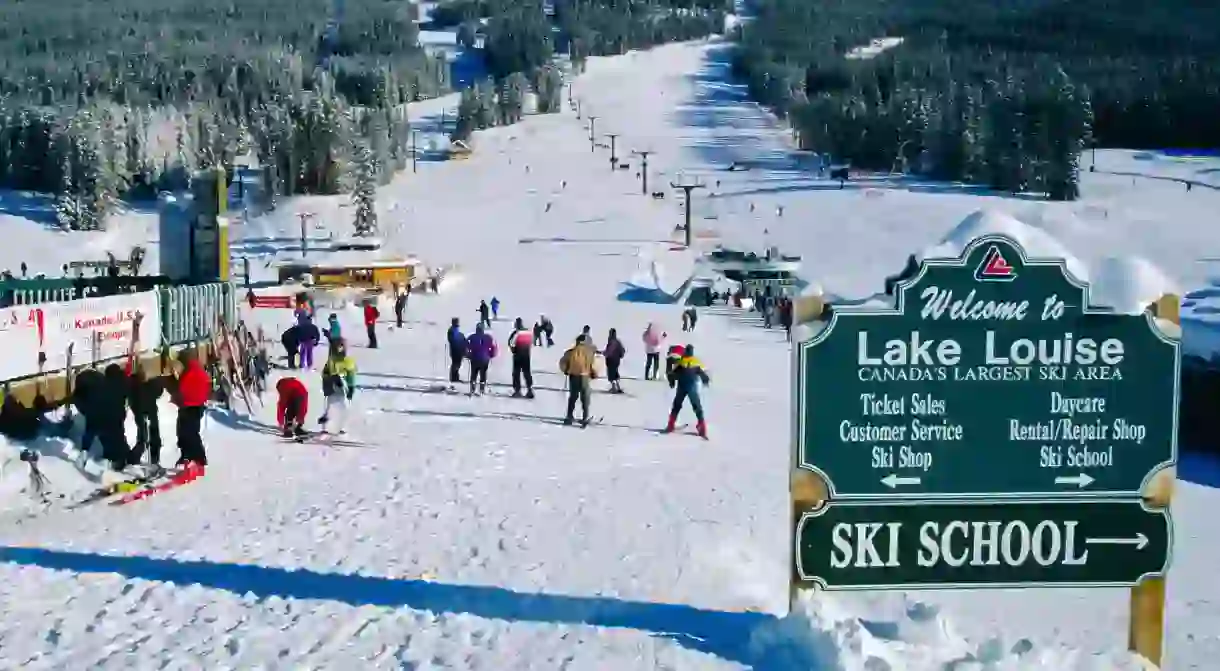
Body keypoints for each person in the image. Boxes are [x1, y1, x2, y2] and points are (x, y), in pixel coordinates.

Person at [174, 349, 211, 467]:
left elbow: (182, 387)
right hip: (194, 406)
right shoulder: (198, 370)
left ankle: (199, 458)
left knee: (188, 433)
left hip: (190, 407)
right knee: (185, 432)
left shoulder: (189, 372)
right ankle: (188, 456)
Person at [666, 344, 711, 438]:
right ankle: (702, 426)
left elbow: (673, 373)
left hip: (682, 386)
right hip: (692, 387)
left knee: (677, 405)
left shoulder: (681, 362)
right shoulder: (696, 362)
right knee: (697, 406)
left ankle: (671, 424)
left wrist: (672, 381)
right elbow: (702, 373)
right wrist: (705, 380)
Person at [127, 361, 164, 469]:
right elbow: (131, 400)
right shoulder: (133, 383)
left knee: (154, 438)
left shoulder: (151, 383)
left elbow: (159, 392)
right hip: (141, 414)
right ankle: (133, 459)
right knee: (143, 438)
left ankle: (154, 461)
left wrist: (156, 382)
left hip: (151, 413)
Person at [319, 339, 357, 434]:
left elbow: (351, 375)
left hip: (343, 387)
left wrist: (351, 388)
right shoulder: (331, 361)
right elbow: (325, 373)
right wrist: (327, 383)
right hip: (332, 386)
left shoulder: (348, 361)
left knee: (344, 408)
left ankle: (342, 427)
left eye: (341, 347)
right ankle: (325, 427)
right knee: (329, 407)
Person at [559, 335, 598, 426]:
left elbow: (562, 362)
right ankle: (585, 417)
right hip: (584, 376)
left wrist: (565, 370)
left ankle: (569, 416)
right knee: (585, 397)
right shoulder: (589, 352)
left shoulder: (570, 352)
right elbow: (592, 364)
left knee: (573, 397)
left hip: (573, 376)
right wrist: (594, 373)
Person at [100, 363, 132, 470]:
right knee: (118, 435)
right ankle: (122, 457)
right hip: (118, 413)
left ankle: (117, 459)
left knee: (113, 437)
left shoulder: (107, 383)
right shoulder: (123, 381)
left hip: (110, 414)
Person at [508, 317, 535, 398]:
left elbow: (511, 343)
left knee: (516, 373)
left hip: (518, 355)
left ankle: (517, 391)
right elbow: (532, 342)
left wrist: (513, 350)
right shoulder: (529, 333)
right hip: (526, 355)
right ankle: (529, 389)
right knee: (527, 372)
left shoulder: (516, 333)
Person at [466, 323, 495, 396]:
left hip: (475, 359)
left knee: (474, 374)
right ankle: (482, 390)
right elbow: (493, 348)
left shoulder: (471, 337)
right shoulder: (488, 337)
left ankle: (472, 389)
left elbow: (465, 346)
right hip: (485, 359)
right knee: (483, 374)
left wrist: (468, 355)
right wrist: (490, 355)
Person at [602, 328, 626, 393]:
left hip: (611, 361)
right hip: (616, 361)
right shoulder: (617, 341)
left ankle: (614, 388)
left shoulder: (612, 342)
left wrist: (604, 353)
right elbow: (622, 350)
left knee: (611, 375)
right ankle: (618, 387)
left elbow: (609, 352)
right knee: (615, 374)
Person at [447, 318, 467, 386]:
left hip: (459, 350)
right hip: (455, 350)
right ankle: (453, 378)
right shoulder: (451, 330)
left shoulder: (456, 330)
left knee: (458, 364)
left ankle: (456, 377)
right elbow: (452, 340)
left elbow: (460, 338)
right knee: (455, 364)